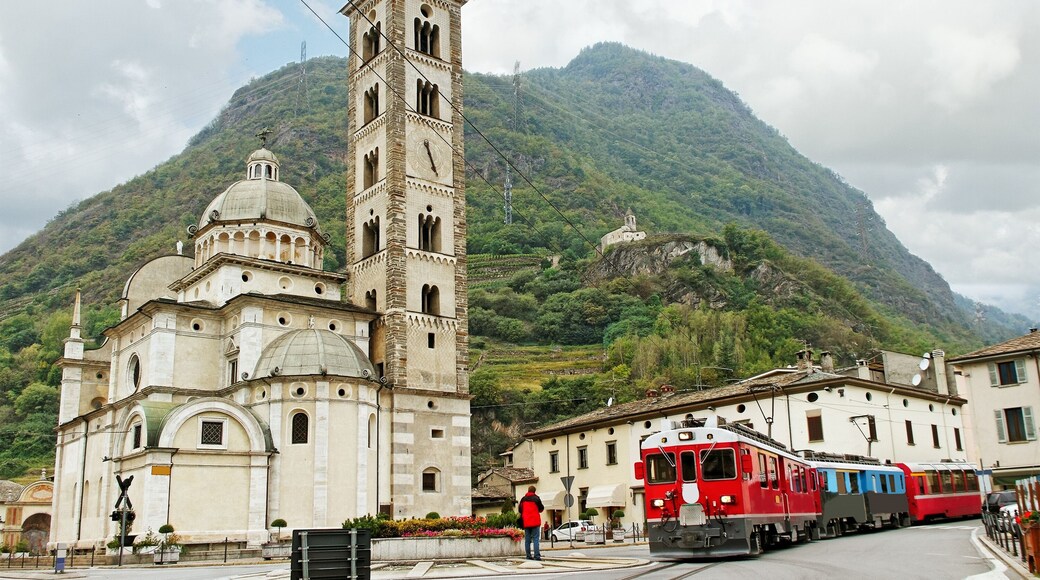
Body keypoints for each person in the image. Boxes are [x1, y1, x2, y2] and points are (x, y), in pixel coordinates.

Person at [518, 485, 544, 560]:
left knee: (527, 540)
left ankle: (528, 556)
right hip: (535, 521)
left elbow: (520, 510)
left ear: (528, 490)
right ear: (534, 491)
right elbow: (541, 509)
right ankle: (537, 556)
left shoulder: (523, 499)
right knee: (536, 539)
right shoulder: (536, 498)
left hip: (526, 522)